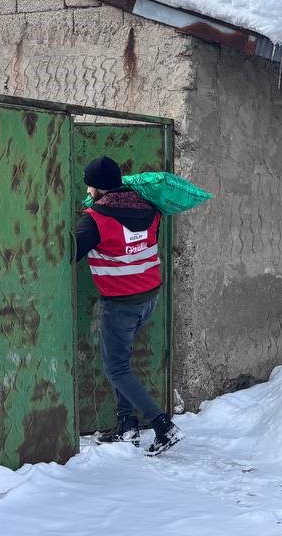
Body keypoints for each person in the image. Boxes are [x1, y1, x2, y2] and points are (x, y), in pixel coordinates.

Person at [74, 156, 183, 457]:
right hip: (149, 296)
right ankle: (126, 426)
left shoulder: (95, 218)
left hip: (122, 303)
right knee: (120, 363)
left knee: (116, 367)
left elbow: (70, 253)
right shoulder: (149, 209)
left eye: (89, 183)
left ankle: (163, 426)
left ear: (96, 187)